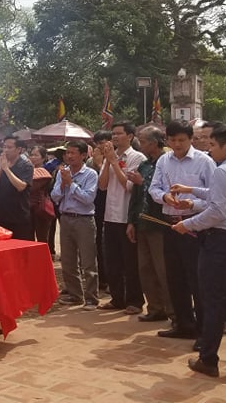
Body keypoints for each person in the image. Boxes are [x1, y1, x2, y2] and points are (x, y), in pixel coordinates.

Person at [171, 124, 226, 378]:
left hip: (221, 243)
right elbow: (220, 196)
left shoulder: (223, 171)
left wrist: (186, 224)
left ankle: (208, 358)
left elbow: (218, 211)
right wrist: (192, 191)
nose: (209, 151)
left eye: (212, 145)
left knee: (213, 303)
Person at [149, 120, 216, 341]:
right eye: (173, 140)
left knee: (197, 278)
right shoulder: (163, 160)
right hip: (169, 223)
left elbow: (214, 195)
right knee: (175, 276)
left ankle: (204, 331)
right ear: (167, 140)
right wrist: (164, 197)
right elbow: (154, 187)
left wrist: (191, 203)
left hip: (195, 224)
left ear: (191, 140)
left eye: (182, 140)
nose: (177, 144)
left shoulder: (204, 161)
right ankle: (183, 323)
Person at [97, 121, 146, 314]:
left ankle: (134, 300)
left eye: (119, 134)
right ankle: (117, 298)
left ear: (130, 136)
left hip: (127, 216)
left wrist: (114, 162)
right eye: (113, 134)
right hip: (110, 215)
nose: (115, 137)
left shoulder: (137, 157)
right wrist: (108, 161)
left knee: (130, 262)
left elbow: (128, 186)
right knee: (113, 260)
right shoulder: (111, 157)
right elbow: (102, 186)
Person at [128, 126, 172, 322]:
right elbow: (135, 197)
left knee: (163, 269)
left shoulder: (167, 163)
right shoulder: (144, 165)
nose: (141, 144)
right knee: (145, 268)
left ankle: (173, 311)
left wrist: (142, 182)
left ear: (155, 143)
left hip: (160, 224)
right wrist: (131, 221)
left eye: (144, 141)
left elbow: (165, 192)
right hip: (142, 223)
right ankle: (155, 308)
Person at [51, 140, 100, 310]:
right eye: (67, 153)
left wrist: (71, 184)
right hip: (66, 218)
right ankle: (75, 294)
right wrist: (64, 183)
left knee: (88, 261)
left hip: (84, 219)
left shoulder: (91, 174)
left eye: (73, 153)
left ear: (84, 155)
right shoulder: (62, 173)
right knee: (68, 260)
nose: (69, 156)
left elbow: (88, 199)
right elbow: (55, 197)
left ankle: (92, 298)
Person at [0, 135, 34, 241]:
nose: (6, 150)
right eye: (4, 147)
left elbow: (21, 186)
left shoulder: (26, 165)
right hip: (0, 214)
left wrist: (6, 169)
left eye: (9, 147)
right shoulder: (1, 163)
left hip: (18, 216)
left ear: (19, 149)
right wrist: (1, 168)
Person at [90, 130, 112, 293]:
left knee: (110, 245)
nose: (101, 146)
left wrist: (100, 165)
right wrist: (96, 164)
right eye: (98, 143)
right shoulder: (90, 162)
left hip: (113, 206)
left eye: (104, 141)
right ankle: (102, 279)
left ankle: (114, 280)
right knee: (97, 243)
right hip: (96, 207)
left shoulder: (117, 159)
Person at [28, 145, 56, 248]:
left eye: (36, 155)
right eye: (31, 155)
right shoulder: (28, 169)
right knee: (28, 237)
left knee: (42, 238)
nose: (33, 157)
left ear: (44, 158)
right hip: (28, 208)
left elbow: (30, 186)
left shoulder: (44, 172)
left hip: (40, 209)